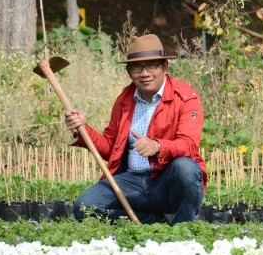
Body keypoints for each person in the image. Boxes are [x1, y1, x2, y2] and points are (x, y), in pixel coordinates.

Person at [64, 34, 206, 225]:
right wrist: (83, 129)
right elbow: (110, 148)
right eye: (138, 67)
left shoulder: (185, 97)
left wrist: (157, 146)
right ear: (129, 71)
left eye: (152, 65)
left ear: (165, 67)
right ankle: (153, 219)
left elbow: (189, 145)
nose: (145, 73)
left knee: (186, 168)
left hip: (165, 181)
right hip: (132, 181)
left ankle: (183, 227)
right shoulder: (124, 100)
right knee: (84, 207)